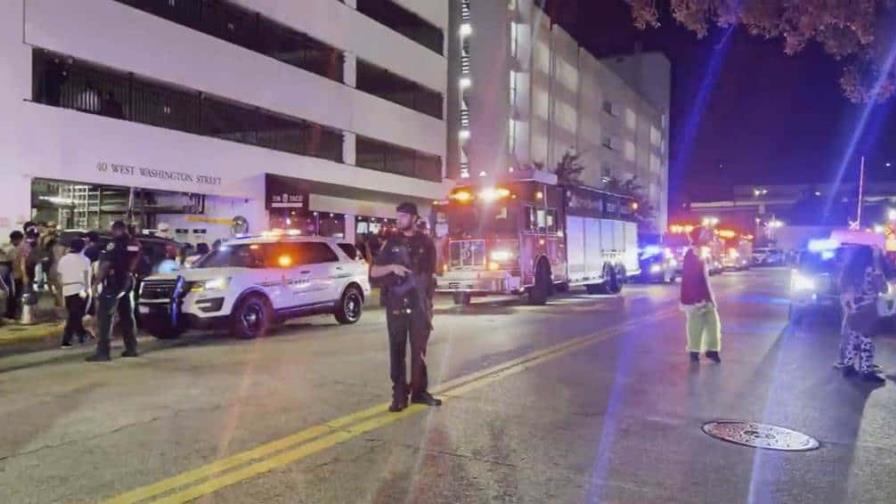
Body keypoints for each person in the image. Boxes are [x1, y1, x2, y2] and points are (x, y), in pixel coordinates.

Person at [370, 202, 441, 412]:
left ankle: (419, 392)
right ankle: (399, 396)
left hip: (419, 303)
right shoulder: (391, 243)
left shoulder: (426, 242)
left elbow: (430, 274)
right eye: (398, 216)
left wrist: (428, 304)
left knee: (419, 350)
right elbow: (374, 271)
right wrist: (392, 267)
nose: (398, 220)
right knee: (397, 350)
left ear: (413, 218)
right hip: (396, 303)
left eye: (403, 216)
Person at [86, 221, 142, 362]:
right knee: (127, 315)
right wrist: (129, 273)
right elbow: (136, 259)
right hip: (128, 281)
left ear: (116, 230)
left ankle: (103, 352)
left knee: (105, 317)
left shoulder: (114, 244)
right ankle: (132, 348)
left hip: (114, 282)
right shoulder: (133, 243)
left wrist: (97, 281)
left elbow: (106, 264)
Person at [838, 245, 886, 383]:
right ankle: (866, 370)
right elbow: (882, 287)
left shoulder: (850, 269)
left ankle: (848, 366)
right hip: (868, 308)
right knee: (867, 340)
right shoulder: (871, 270)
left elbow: (843, 285)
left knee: (854, 338)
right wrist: (877, 263)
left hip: (854, 307)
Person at [680, 226, 722, 363]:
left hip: (705, 296)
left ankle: (712, 350)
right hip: (695, 298)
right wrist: (696, 299)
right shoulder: (691, 255)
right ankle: (694, 352)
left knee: (713, 323)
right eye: (704, 235)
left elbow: (704, 278)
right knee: (695, 325)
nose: (707, 238)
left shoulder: (701, 253)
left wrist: (709, 297)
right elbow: (690, 278)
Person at [57, 238, 92, 347]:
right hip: (80, 289)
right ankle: (69, 339)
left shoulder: (63, 259)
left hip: (67, 290)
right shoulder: (85, 260)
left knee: (74, 315)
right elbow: (87, 277)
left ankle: (80, 335)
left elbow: (59, 276)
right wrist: (88, 291)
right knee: (75, 316)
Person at [3, 231, 25, 320]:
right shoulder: (14, 249)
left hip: (14, 275)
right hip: (16, 275)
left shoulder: (10, 248)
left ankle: (12, 313)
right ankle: (13, 313)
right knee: (14, 295)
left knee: (13, 295)